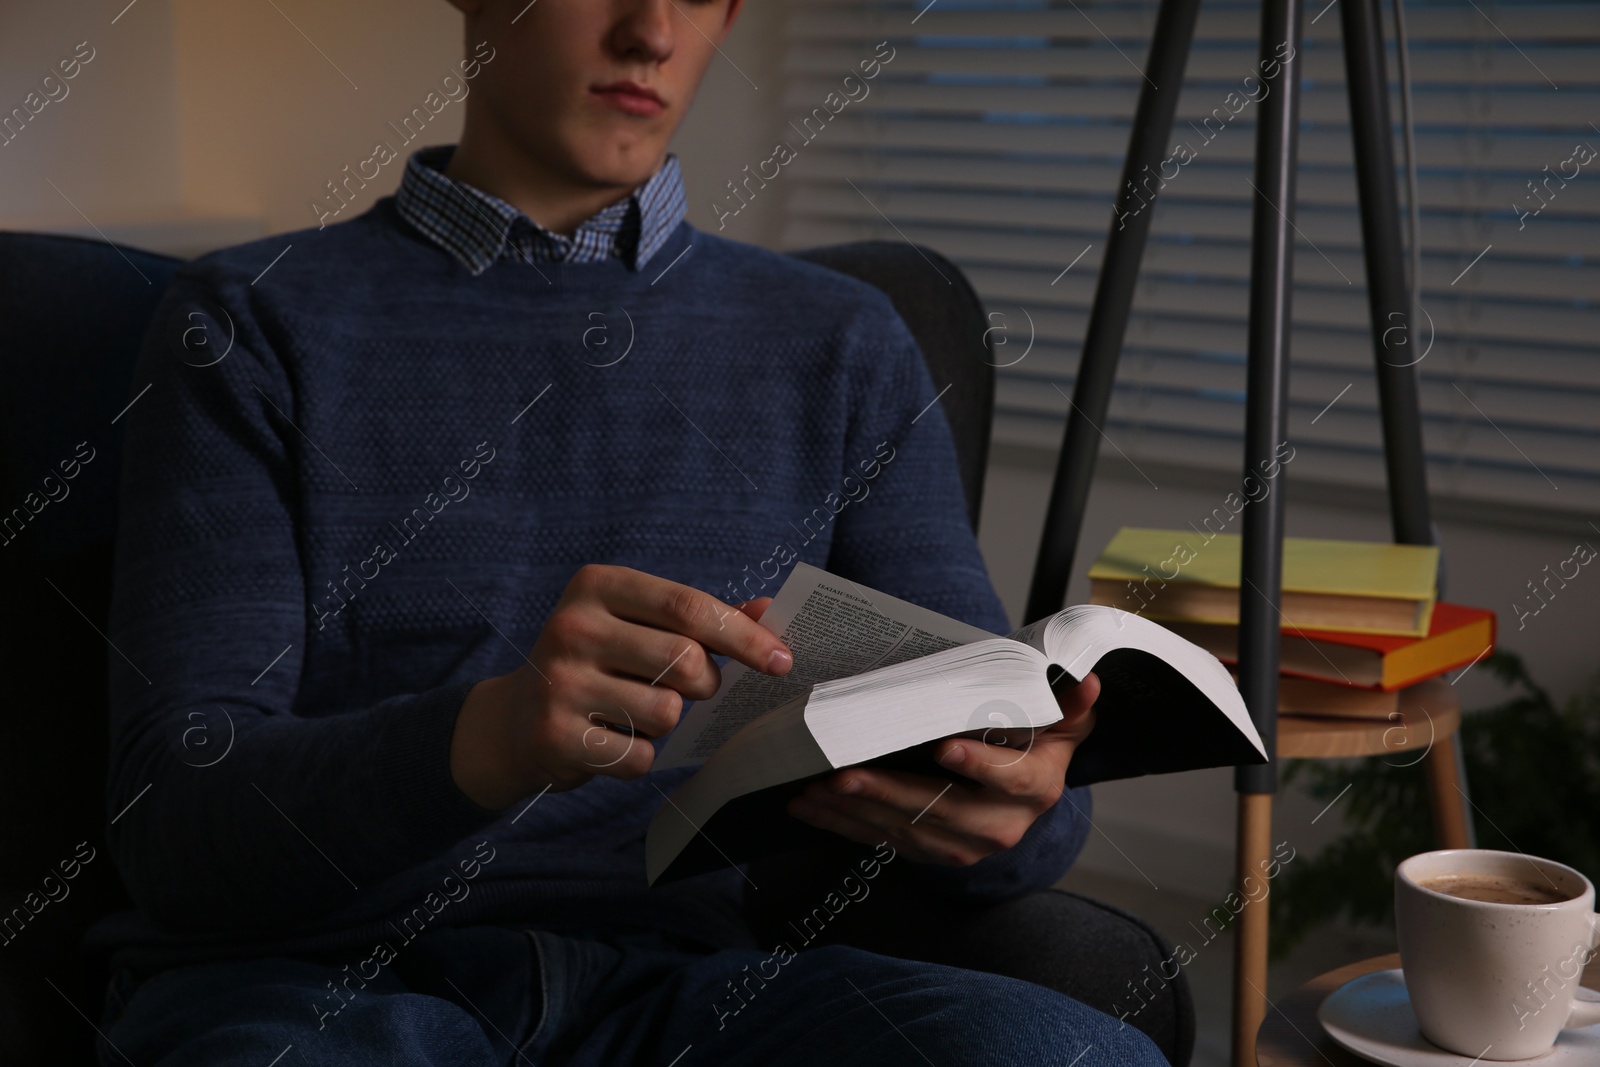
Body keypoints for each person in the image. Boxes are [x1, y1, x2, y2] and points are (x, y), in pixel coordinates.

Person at [90, 1, 1173, 1064]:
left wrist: (1023, 804)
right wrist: (489, 736)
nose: (651, 32)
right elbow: (173, 826)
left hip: (691, 987)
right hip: (324, 984)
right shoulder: (249, 322)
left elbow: (985, 738)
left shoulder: (840, 340)